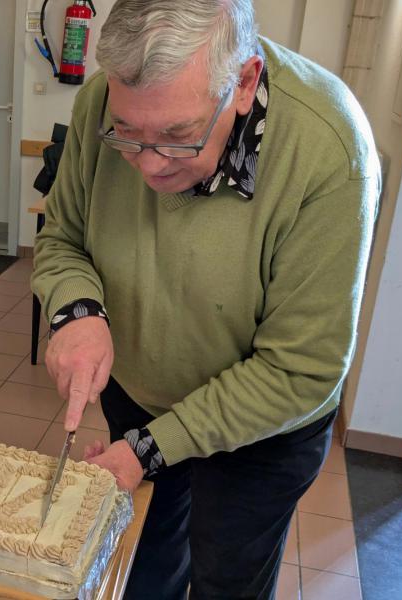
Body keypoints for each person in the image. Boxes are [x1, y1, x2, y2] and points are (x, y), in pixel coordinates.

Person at [31, 0, 379, 598]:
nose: (147, 165)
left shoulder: (330, 152)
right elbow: (63, 238)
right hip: (139, 397)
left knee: (227, 581)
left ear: (243, 82)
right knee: (142, 561)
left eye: (177, 137)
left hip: (263, 429)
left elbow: (301, 369)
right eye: (128, 136)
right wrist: (77, 312)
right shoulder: (101, 103)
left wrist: (152, 447)